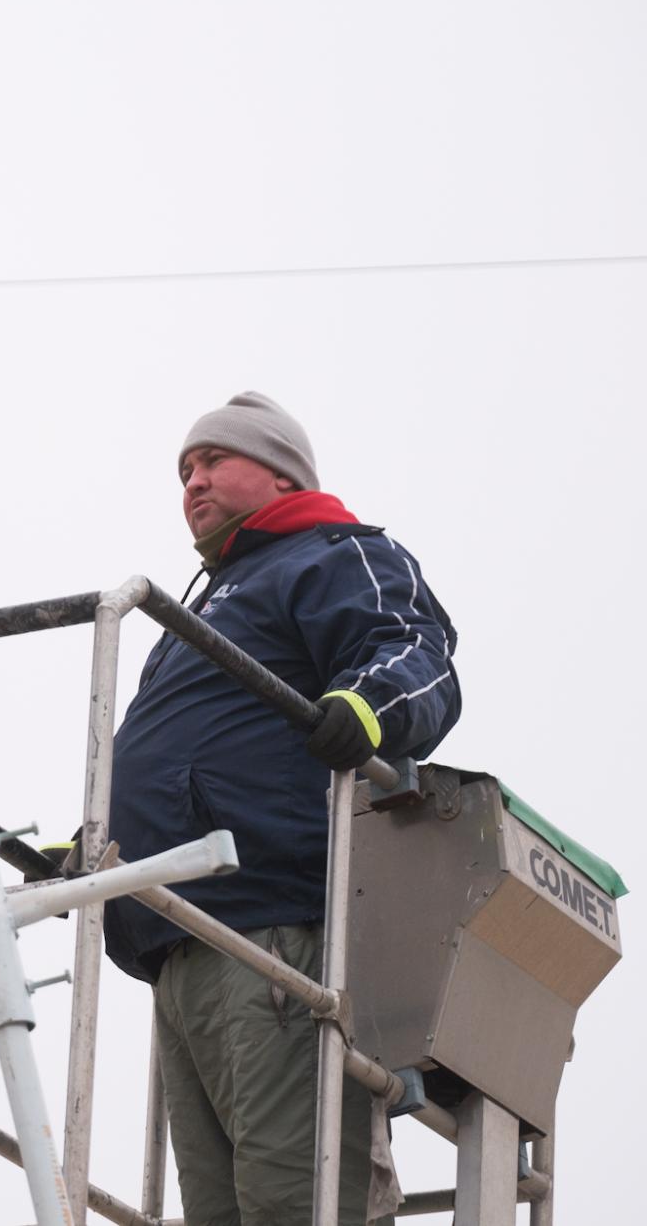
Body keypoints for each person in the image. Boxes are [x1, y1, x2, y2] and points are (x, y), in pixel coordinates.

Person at [104, 391, 460, 1226]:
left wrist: (368, 708)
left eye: (213, 460)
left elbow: (417, 651)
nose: (192, 481)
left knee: (295, 1201)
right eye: (184, 469)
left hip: (273, 935)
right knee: (221, 1212)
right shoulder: (201, 608)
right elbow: (181, 754)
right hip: (179, 947)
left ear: (279, 471)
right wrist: (92, 845)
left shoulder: (333, 553)